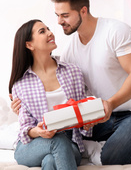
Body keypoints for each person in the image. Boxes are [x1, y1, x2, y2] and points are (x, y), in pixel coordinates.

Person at [12, 0, 131, 165]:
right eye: (58, 15)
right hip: (104, 116)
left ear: (83, 11)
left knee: (110, 157)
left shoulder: (116, 31)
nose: (59, 21)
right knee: (66, 136)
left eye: (65, 15)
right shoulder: (70, 52)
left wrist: (110, 104)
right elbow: (73, 97)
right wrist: (22, 105)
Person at [9, 19, 92, 170]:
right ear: (29, 45)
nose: (50, 33)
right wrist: (39, 132)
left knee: (50, 161)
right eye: (42, 31)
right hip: (32, 145)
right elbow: (26, 128)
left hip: (69, 142)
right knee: (57, 141)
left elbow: (83, 113)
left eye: (48, 28)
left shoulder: (73, 72)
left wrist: (87, 122)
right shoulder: (20, 85)